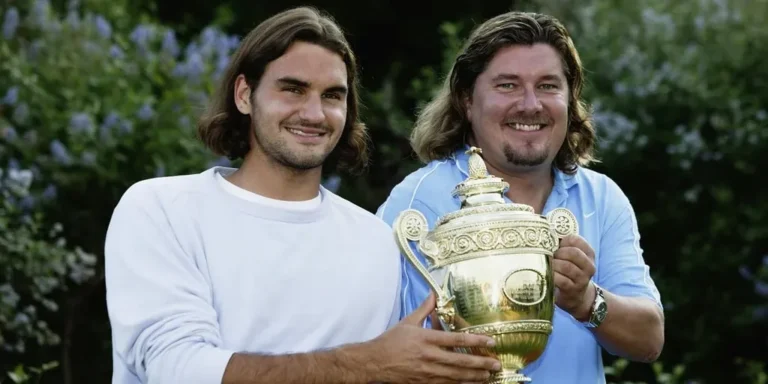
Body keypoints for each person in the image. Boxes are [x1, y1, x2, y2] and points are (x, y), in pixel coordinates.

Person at [104, 6, 503, 384]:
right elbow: (178, 370)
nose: (314, 113)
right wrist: (366, 362)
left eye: (332, 95)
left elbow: (391, 366)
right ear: (244, 94)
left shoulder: (376, 240)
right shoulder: (161, 209)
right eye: (293, 89)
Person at [376, 11, 665, 383]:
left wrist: (586, 300)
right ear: (467, 100)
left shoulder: (601, 197)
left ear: (569, 98)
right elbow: (384, 354)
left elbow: (649, 338)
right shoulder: (418, 202)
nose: (530, 105)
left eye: (547, 86)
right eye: (507, 85)